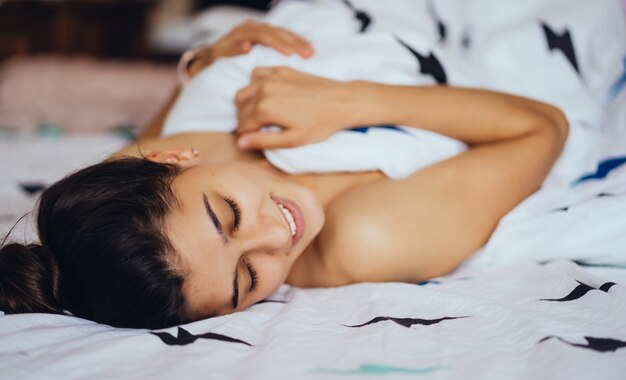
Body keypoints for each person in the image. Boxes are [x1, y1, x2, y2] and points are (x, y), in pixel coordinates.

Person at [0, 17, 568, 329]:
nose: (277, 238)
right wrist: (353, 103)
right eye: (247, 280)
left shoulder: (124, 189)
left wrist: (201, 65)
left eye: (230, 214)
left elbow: (150, 140)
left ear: (168, 160)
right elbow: (545, 128)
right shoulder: (368, 240)